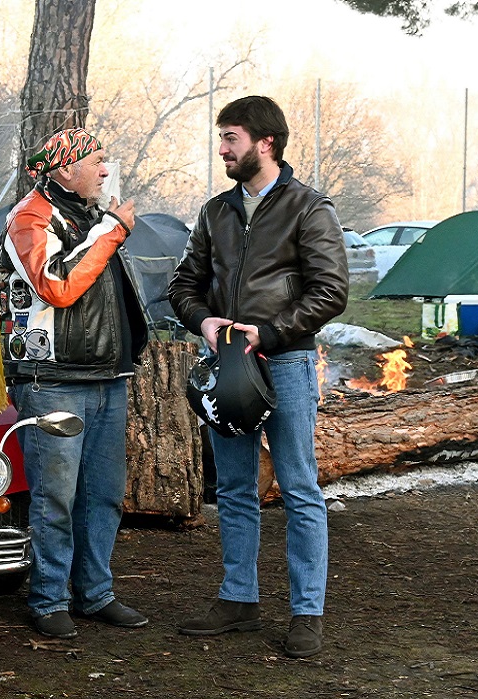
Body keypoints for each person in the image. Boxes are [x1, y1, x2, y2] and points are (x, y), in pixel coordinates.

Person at [168, 96, 349, 658]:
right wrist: (204, 320)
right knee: (235, 487)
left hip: (287, 363)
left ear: (265, 143)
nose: (222, 149)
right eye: (221, 139)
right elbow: (183, 285)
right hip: (228, 365)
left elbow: (331, 291)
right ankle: (239, 599)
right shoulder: (215, 212)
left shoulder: (309, 209)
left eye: (231, 139)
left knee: (298, 487)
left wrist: (267, 333)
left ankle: (307, 612)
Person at [0, 127, 149, 640]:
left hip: (107, 376)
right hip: (51, 380)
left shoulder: (89, 217)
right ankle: (48, 600)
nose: (105, 170)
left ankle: (95, 594)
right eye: (97, 161)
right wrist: (110, 231)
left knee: (103, 495)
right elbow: (57, 286)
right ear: (65, 169)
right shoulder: (29, 218)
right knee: (54, 499)